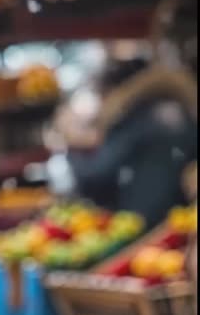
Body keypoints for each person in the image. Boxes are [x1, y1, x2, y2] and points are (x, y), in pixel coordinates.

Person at [64, 55, 197, 228]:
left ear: (115, 90)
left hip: (145, 222)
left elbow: (97, 174)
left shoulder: (133, 116)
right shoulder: (178, 108)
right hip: (180, 218)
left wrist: (72, 145)